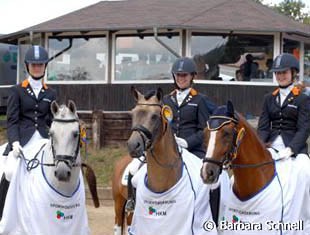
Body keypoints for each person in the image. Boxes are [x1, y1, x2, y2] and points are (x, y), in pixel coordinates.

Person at [125, 57, 218, 216]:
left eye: (185, 75)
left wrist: (187, 142)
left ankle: (212, 214)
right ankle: (132, 202)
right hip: (168, 148)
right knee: (132, 172)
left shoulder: (200, 100)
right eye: (178, 75)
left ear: (192, 77)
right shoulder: (166, 100)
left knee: (212, 183)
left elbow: (204, 130)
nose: (181, 78)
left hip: (193, 150)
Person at [0, 45, 56, 219]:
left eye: (40, 64)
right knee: (9, 171)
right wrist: (15, 142)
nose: (37, 67)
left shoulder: (51, 92)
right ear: (27, 67)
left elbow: (51, 120)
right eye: (34, 65)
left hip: (44, 141)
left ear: (45, 67)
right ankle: (2, 213)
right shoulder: (17, 90)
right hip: (23, 141)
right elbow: (12, 120)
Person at [257, 53, 310, 160]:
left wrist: (290, 149)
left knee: (305, 168)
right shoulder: (269, 98)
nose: (280, 76)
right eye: (277, 73)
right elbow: (263, 128)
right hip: (271, 145)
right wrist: (261, 145)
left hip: (294, 148)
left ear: (293, 73)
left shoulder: (302, 99)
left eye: (284, 72)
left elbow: (303, 129)